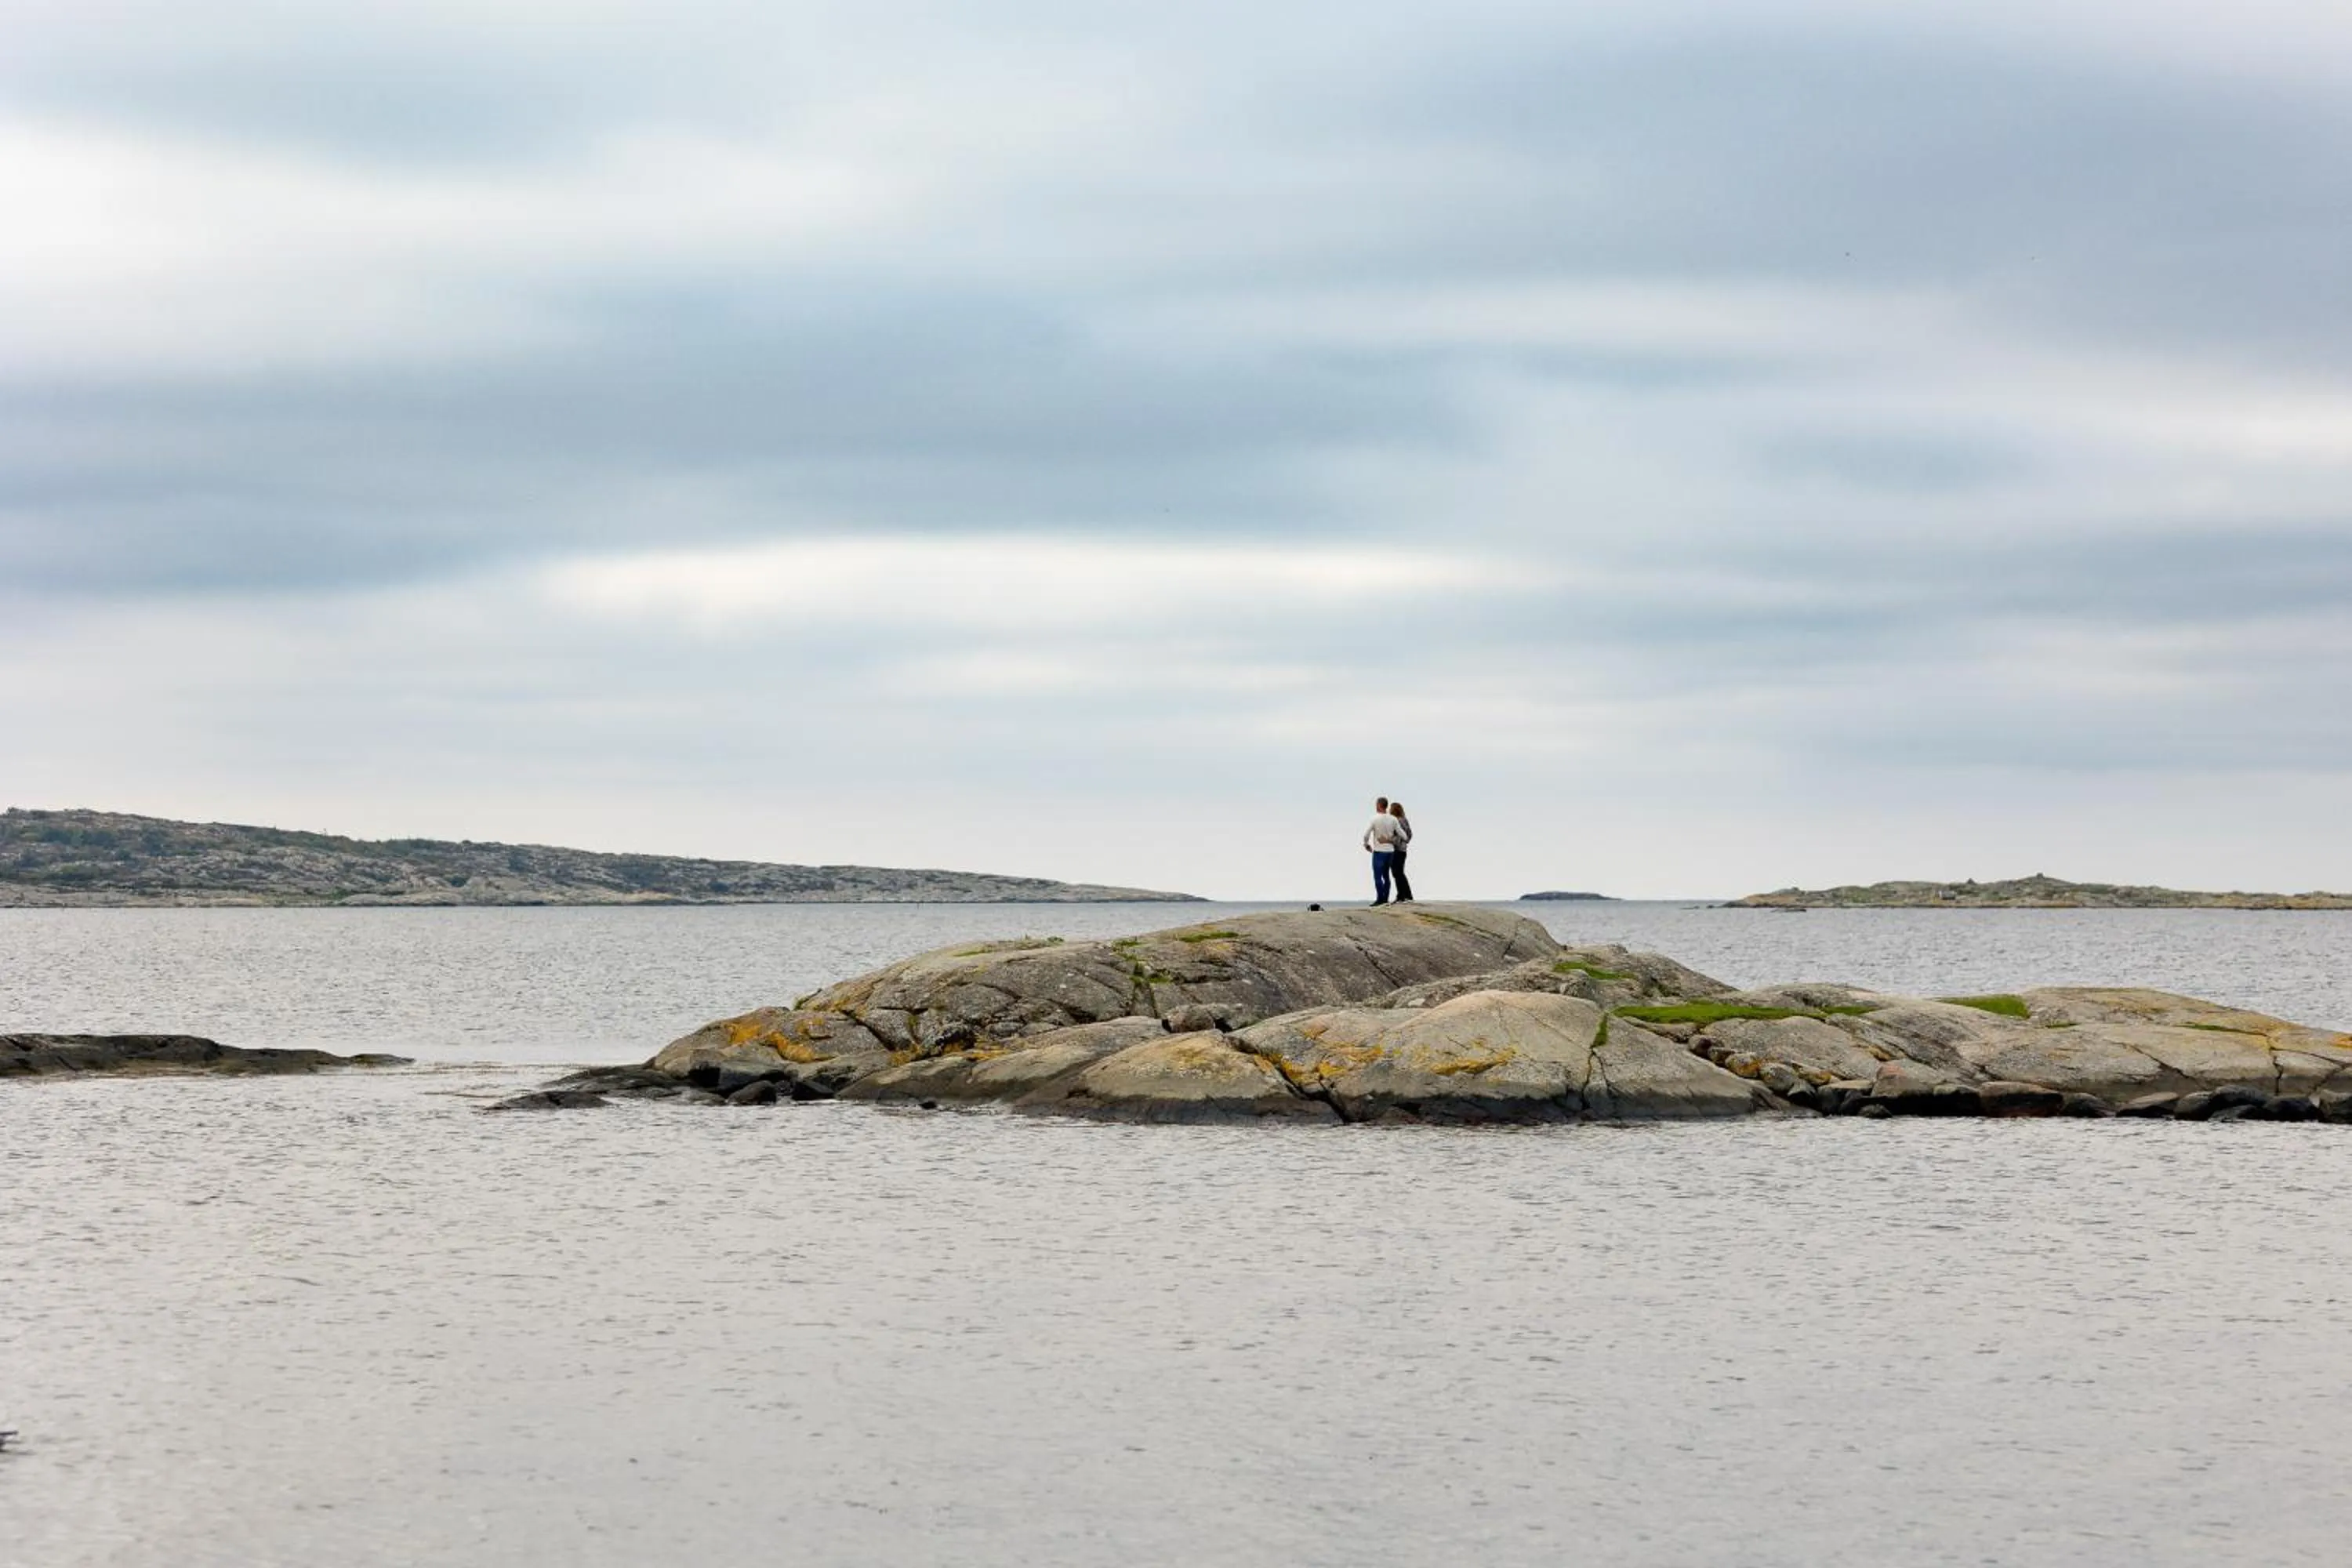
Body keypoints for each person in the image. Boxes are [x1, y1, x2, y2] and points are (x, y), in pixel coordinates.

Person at [1363, 797, 1406, 906]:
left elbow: (1366, 834)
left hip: (1379, 852)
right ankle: (1385, 898)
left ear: (1378, 805)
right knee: (1386, 876)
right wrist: (1392, 840)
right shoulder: (1393, 819)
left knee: (1378, 876)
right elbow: (1404, 836)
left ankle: (1380, 899)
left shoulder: (1374, 819)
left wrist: (1366, 844)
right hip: (1390, 852)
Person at [1388, 800, 1414, 902]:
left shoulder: (1398, 821)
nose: (1389, 811)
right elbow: (1410, 834)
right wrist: (1406, 841)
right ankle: (1406, 895)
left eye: (1391, 809)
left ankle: (1402, 896)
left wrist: (1393, 841)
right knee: (1399, 873)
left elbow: (1402, 835)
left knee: (1397, 873)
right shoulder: (1404, 819)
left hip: (1398, 850)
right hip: (1402, 850)